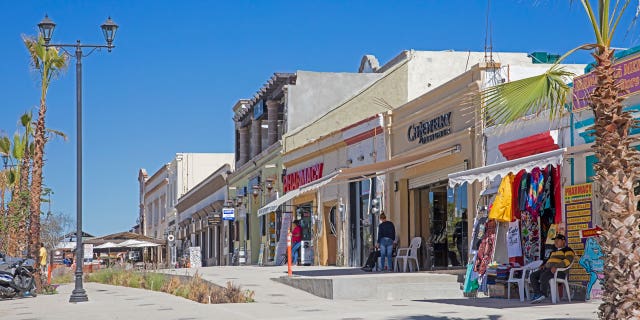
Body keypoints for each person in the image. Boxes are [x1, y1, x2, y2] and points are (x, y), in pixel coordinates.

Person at [530, 234, 575, 303]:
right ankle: (538, 294)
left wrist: (556, 266)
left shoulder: (568, 250)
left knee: (544, 275)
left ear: (563, 241)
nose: (555, 242)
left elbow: (567, 261)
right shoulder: (553, 251)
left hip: (559, 272)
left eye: (558, 240)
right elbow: (549, 260)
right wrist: (544, 265)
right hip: (548, 270)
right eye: (555, 241)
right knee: (533, 275)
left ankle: (543, 294)